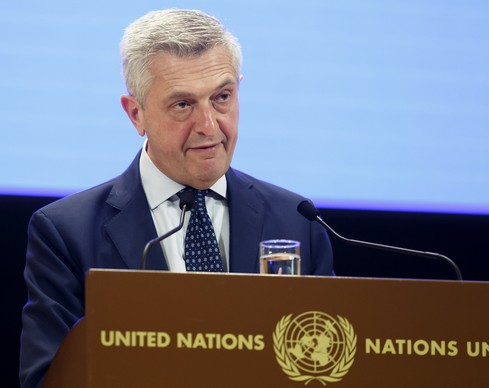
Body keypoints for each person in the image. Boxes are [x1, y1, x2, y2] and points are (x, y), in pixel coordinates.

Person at [20, 9, 334, 388]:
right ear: (136, 114)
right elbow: (45, 379)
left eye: (222, 97)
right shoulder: (66, 232)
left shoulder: (298, 221)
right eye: (183, 105)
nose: (209, 126)